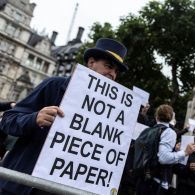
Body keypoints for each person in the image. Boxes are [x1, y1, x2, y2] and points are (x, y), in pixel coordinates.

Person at [0, 38, 129, 195]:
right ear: (91, 63)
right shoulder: (54, 85)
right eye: (109, 67)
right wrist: (34, 119)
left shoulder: (111, 112)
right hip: (21, 187)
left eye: (116, 72)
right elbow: (8, 120)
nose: (113, 75)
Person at [135, 104, 195, 195]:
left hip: (142, 177)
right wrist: (184, 152)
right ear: (171, 118)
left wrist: (174, 151)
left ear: (156, 117)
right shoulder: (169, 132)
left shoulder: (148, 130)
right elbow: (163, 158)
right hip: (156, 182)